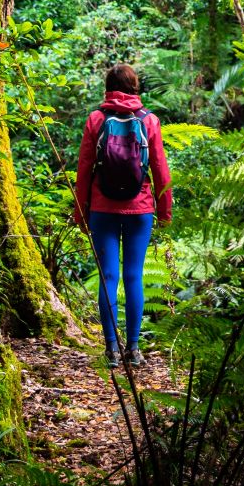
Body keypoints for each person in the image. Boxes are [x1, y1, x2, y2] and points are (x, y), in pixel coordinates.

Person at [74, 63, 172, 367]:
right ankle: (133, 348)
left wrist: (81, 212)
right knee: (133, 276)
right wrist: (165, 210)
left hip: (102, 208)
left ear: (107, 88)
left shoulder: (95, 120)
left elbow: (83, 170)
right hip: (140, 209)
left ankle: (111, 350)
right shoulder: (150, 121)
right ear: (135, 87)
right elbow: (159, 168)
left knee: (108, 277)